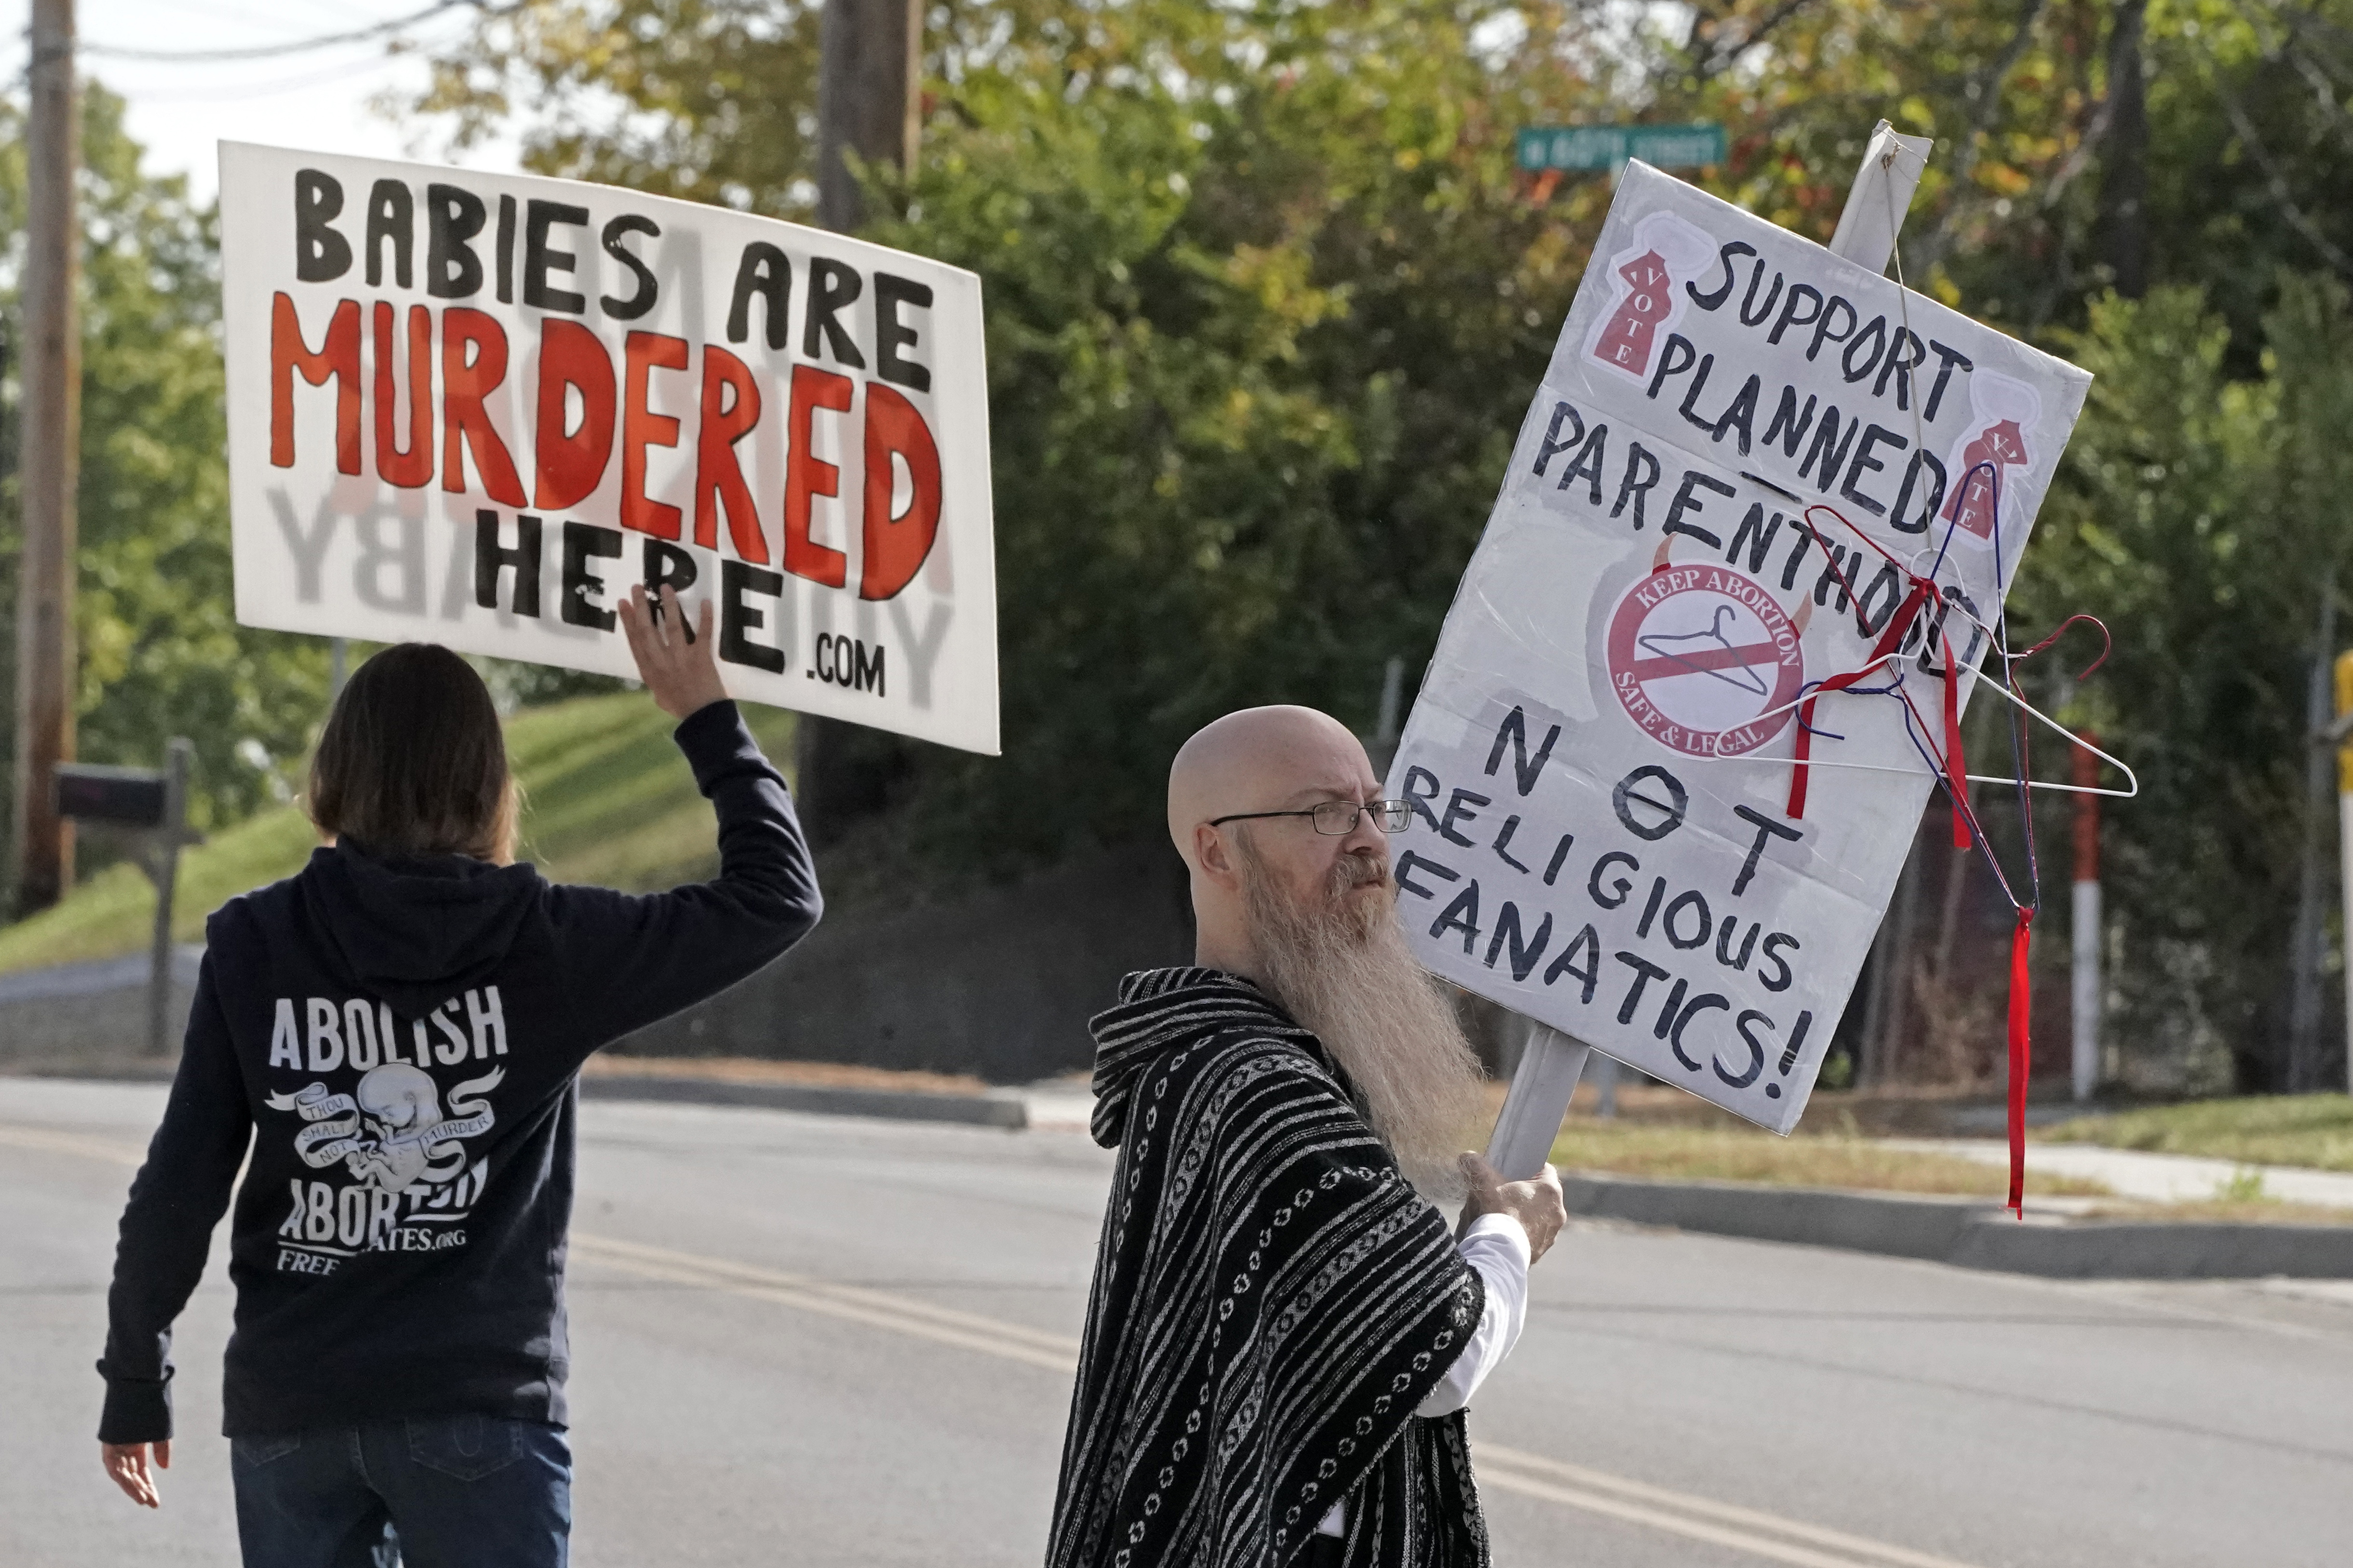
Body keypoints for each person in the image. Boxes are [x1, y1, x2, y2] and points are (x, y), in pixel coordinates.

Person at [94, 586, 820, 1568]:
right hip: (476, 1409)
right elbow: (776, 893)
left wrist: (136, 1373)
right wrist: (703, 712)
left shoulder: (256, 941)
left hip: (292, 1413)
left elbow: (181, 1182)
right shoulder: (550, 944)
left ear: (335, 774)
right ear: (490, 783)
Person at [1047, 705, 1568, 1568]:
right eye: (1323, 813)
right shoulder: (1263, 1087)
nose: (1368, 840)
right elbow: (1439, 1358)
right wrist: (1509, 1232)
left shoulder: (1210, 1056)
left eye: (1373, 807)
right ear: (1216, 851)